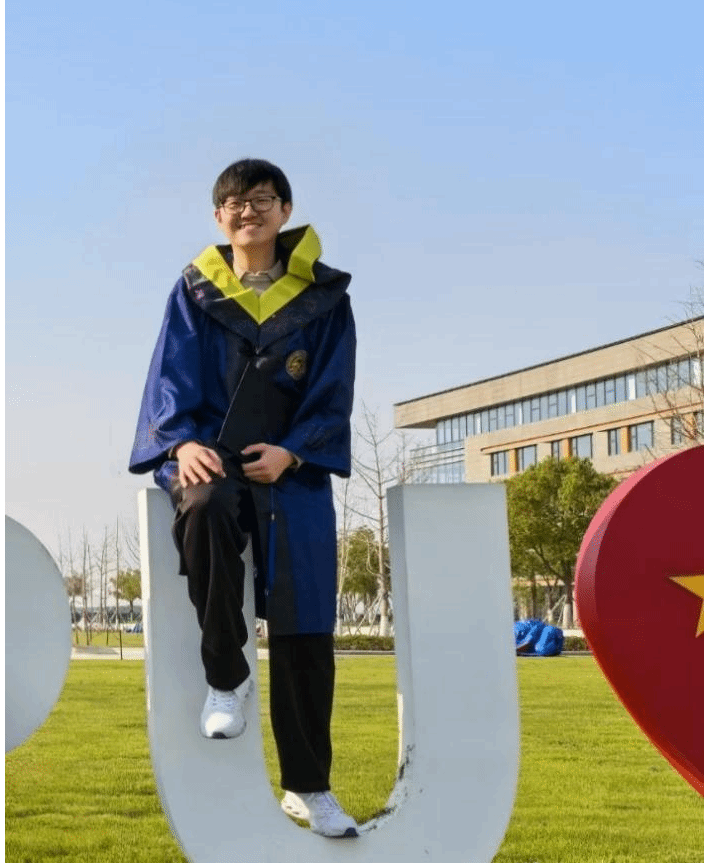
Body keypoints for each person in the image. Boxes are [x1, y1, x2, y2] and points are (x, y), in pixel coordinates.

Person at [128, 158, 358, 838]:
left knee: (304, 616)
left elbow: (334, 389)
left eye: (262, 199)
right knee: (202, 506)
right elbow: (169, 379)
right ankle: (226, 678)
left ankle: (310, 787)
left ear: (285, 210)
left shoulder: (324, 298)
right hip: (212, 458)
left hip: (292, 467)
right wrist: (180, 445)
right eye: (234, 202)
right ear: (218, 216)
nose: (247, 211)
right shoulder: (196, 291)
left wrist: (294, 450)